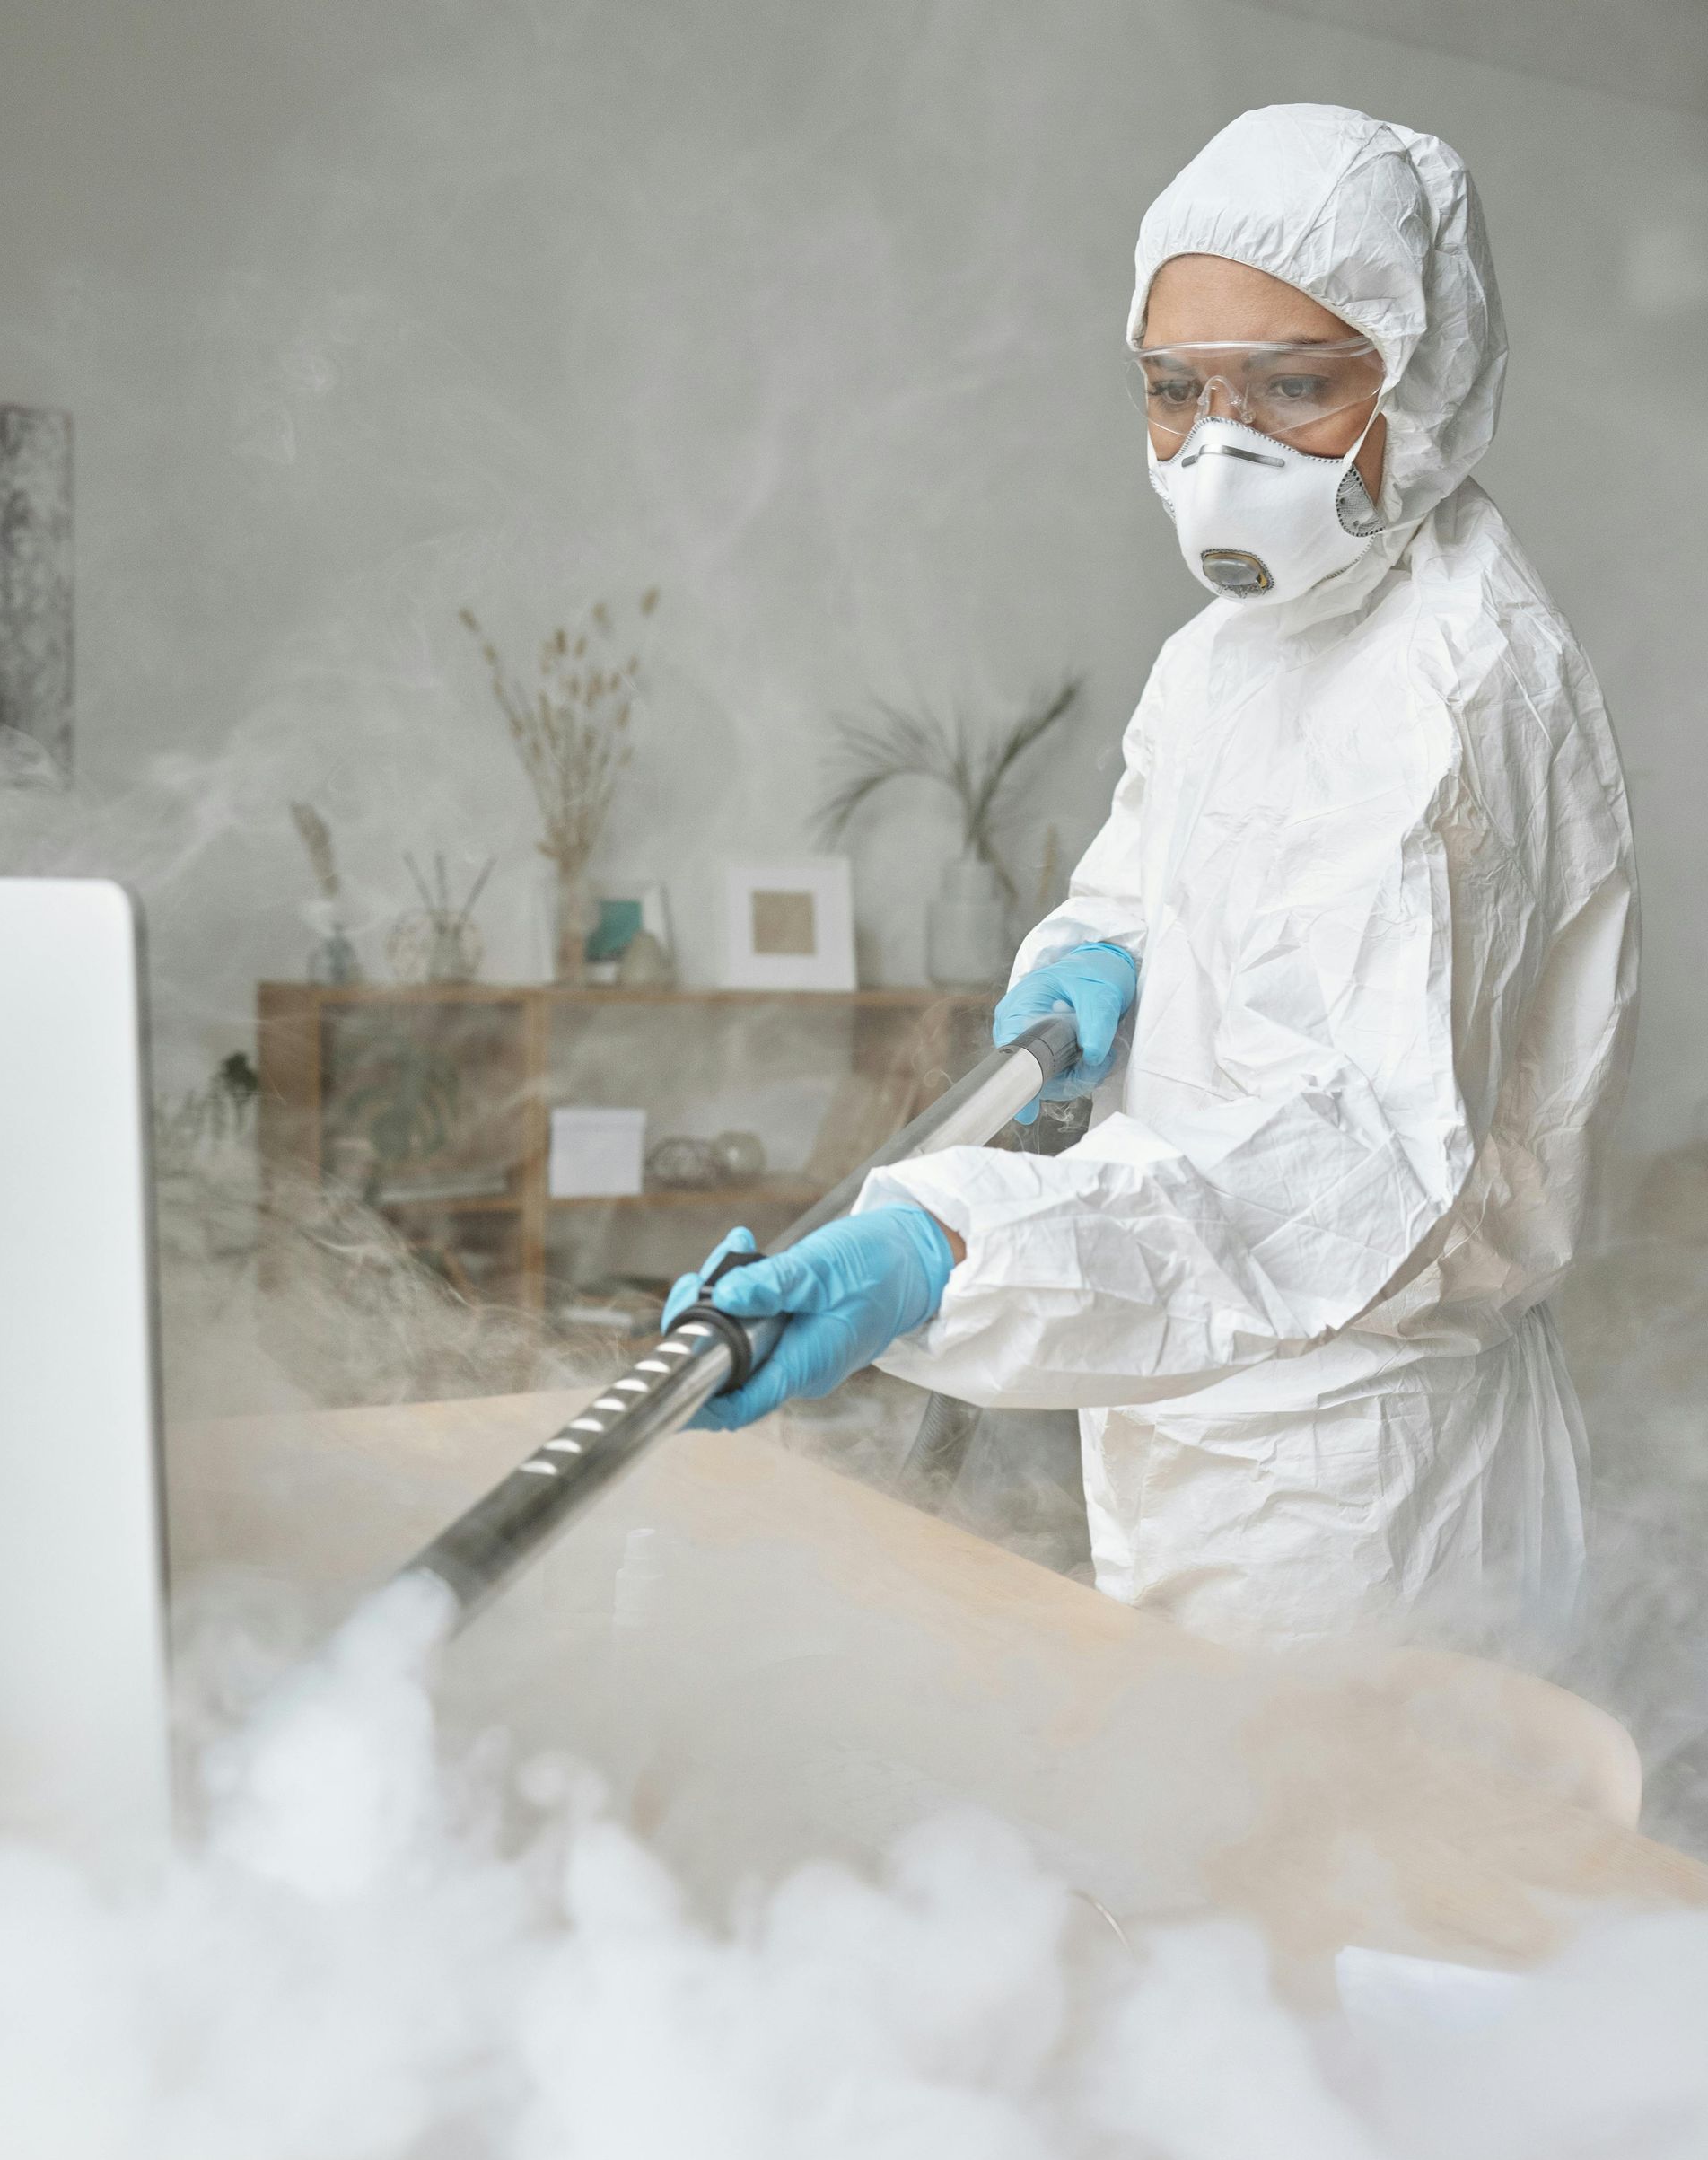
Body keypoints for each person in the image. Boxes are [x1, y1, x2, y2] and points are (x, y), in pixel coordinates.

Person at [667, 102, 1637, 1654]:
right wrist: (1096, 954)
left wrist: (950, 1248)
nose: (1217, 449)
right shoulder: (1229, 650)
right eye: (1174, 390)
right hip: (1190, 1389)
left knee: (1351, 1887)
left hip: (1364, 1483)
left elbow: (1342, 1172)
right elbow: (1152, 871)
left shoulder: (1461, 694)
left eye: (1294, 389)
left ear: (1424, 380)